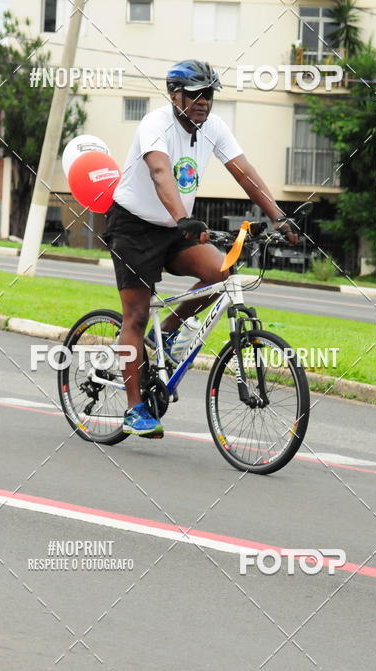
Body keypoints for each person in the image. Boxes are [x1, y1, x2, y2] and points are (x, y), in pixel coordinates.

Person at [104, 59, 297, 438]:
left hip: (177, 227)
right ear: (174, 95)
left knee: (222, 272)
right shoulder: (155, 124)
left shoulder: (215, 128)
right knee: (137, 316)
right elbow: (161, 173)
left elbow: (243, 171)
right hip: (134, 226)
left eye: (208, 94)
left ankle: (172, 333)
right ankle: (133, 409)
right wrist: (182, 218)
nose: (202, 102)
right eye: (194, 94)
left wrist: (278, 215)